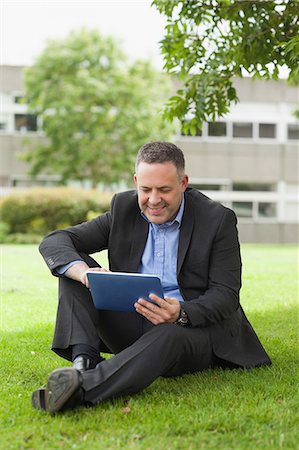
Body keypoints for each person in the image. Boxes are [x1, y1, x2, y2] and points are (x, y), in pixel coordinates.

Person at [32, 141, 271, 413]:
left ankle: (81, 388)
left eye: (164, 190)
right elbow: (56, 241)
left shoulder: (217, 220)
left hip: (189, 332)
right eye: (145, 189)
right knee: (73, 272)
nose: (154, 200)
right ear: (136, 182)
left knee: (168, 334)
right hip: (133, 321)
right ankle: (83, 363)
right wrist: (83, 272)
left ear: (183, 183)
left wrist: (181, 312)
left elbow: (226, 296)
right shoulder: (124, 208)